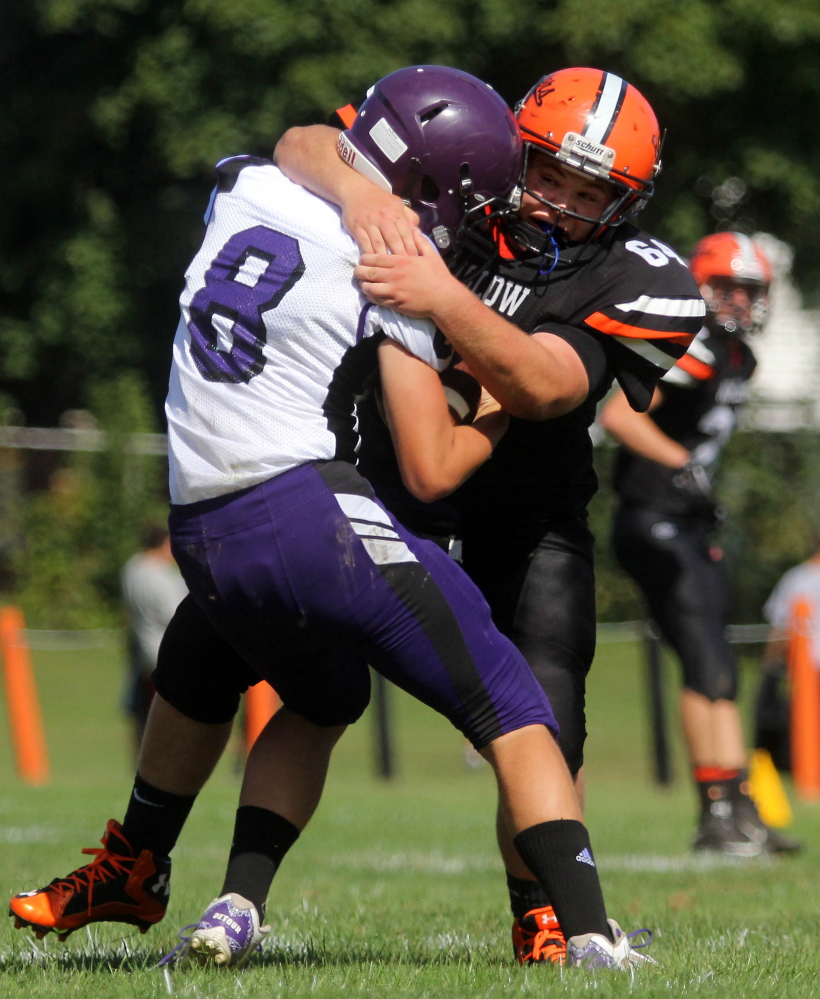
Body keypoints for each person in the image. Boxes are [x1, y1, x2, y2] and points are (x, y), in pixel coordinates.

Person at [10, 66, 646, 974]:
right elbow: (432, 470)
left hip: (198, 516)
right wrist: (486, 390)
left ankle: (174, 879)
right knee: (513, 706)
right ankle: (585, 933)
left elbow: (301, 144)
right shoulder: (396, 269)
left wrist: (351, 184)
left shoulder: (247, 186)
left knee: (295, 683)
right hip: (309, 512)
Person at [271, 66, 704, 964]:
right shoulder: (461, 170)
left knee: (549, 710)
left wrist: (439, 296)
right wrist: (358, 192)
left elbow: (546, 386)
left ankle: (541, 917)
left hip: (527, 512)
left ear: (626, 205)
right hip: (385, 486)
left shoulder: (639, 276)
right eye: (548, 176)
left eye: (590, 194)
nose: (557, 204)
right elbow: (302, 146)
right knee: (298, 678)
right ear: (516, 152)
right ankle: (208, 885)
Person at [599, 231, 800, 856]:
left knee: (718, 664)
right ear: (703, 286)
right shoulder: (694, 346)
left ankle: (738, 804)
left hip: (686, 520)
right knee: (705, 660)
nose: (740, 300)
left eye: (751, 289)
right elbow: (619, 414)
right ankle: (716, 810)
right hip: (652, 515)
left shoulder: (742, 358)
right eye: (729, 287)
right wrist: (681, 465)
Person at [121, 526, 188, 758]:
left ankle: (143, 760)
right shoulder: (158, 576)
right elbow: (176, 614)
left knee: (144, 712)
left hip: (141, 647)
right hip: (164, 649)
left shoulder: (132, 568)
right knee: (169, 713)